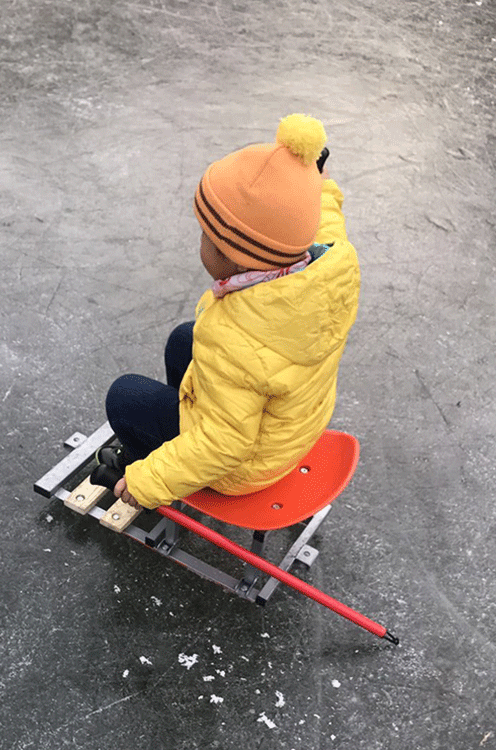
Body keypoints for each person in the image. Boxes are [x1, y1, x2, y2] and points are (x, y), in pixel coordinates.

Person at [102, 114, 360, 510]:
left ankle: (151, 457)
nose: (201, 242)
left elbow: (225, 444)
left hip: (245, 466)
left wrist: (149, 482)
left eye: (207, 236)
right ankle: (180, 432)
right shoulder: (324, 260)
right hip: (292, 428)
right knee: (183, 339)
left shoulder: (239, 338)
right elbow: (326, 217)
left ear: (236, 258)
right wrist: (311, 182)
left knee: (125, 396)